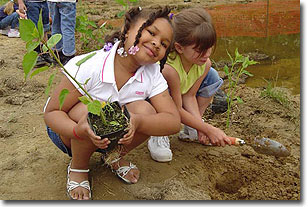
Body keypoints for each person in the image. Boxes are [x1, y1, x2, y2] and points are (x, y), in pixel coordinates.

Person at [44, 6, 180, 200]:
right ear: (127, 30)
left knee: (146, 111)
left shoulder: (152, 74)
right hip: (69, 132)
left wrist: (138, 121)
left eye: (165, 44)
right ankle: (79, 167)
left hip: (111, 135)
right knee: (94, 111)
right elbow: (52, 113)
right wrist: (78, 130)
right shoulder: (89, 65)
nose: (157, 43)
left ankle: (113, 156)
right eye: (151, 32)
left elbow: (173, 122)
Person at [148, 7, 232, 162]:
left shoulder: (204, 63)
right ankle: (159, 133)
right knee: (162, 106)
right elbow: (176, 109)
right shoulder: (169, 70)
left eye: (210, 47)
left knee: (212, 76)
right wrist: (207, 129)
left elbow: (189, 95)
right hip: (158, 101)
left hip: (179, 98)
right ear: (179, 47)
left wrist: (199, 125)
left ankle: (192, 126)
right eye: (200, 50)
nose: (206, 54)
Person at [17, 0, 54, 65]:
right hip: (31, 3)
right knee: (34, 30)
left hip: (44, 3)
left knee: (45, 28)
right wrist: (20, 3)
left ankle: (45, 53)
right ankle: (36, 54)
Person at [47, 0, 77, 65]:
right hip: (68, 1)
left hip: (52, 1)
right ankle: (68, 55)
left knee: (55, 26)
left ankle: (57, 53)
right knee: (68, 28)